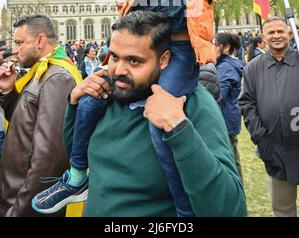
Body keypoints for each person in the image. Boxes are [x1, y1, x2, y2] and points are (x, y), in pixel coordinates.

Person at [32, 11, 246, 217]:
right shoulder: (105, 97)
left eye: (134, 61)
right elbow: (78, 156)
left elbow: (230, 209)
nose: (119, 70)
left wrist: (179, 127)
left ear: (163, 60)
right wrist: (75, 104)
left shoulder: (191, 104)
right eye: (114, 57)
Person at [0, 14, 82, 216]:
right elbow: (25, 123)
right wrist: (9, 92)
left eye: (19, 42)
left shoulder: (57, 78)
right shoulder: (41, 71)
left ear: (40, 40)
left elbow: (49, 159)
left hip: (22, 201)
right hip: (15, 192)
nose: (15, 49)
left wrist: (20, 210)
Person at [239, 16, 299, 217]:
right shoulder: (253, 68)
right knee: (283, 209)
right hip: (275, 151)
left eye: (281, 31)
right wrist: (261, 139)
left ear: (289, 34)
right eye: (271, 32)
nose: (277, 36)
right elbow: (246, 103)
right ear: (263, 37)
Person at [214, 32, 244, 181]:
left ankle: (237, 194)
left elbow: (218, 95)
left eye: (215, 45)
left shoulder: (226, 67)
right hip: (229, 116)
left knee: (230, 160)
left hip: (225, 118)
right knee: (233, 157)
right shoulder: (227, 64)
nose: (212, 48)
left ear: (225, 47)